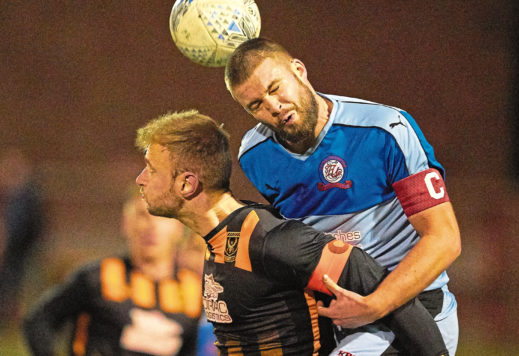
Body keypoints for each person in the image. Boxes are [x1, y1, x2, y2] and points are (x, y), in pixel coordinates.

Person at [134, 110, 449, 356]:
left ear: (187, 184)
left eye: (152, 168)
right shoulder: (217, 237)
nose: (141, 179)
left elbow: (380, 287)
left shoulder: (268, 238)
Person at [225, 37, 461, 355]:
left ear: (298, 70)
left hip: (416, 309)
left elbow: (444, 238)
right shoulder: (255, 156)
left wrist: (375, 303)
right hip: (337, 319)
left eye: (275, 88)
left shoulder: (385, 130)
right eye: (255, 105)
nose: (273, 106)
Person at [22, 187, 205, 356]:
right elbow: (40, 320)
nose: (152, 226)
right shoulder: (97, 277)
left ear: (179, 228)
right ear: (126, 224)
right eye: (142, 215)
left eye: (163, 217)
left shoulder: (193, 292)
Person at [0, 147, 45, 326]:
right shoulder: (14, 196)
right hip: (18, 252)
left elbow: (24, 227)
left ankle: (17, 317)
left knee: (18, 286)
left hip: (22, 252)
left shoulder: (25, 197)